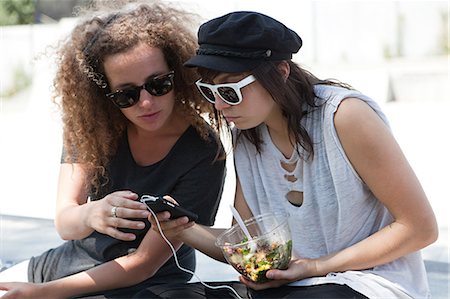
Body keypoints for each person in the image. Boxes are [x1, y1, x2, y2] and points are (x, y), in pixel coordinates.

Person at [145, 11, 438, 299]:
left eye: (231, 91)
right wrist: (183, 229)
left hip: (369, 282)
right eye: (210, 91)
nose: (220, 105)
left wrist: (314, 267)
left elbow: (419, 228)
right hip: (293, 285)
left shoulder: (345, 116)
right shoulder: (247, 135)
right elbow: (248, 244)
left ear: (281, 72)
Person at [0, 1, 226, 298]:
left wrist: (40, 293)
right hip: (57, 269)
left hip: (146, 289)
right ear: (104, 95)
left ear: (178, 75)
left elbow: (141, 265)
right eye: (127, 94)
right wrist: (92, 213)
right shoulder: (92, 127)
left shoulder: (203, 151)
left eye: (158, 84)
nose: (146, 102)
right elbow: (66, 222)